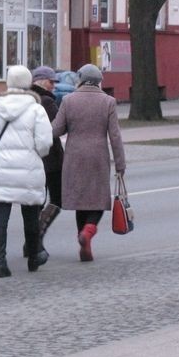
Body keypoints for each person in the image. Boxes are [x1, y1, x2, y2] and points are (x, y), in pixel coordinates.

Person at [0, 65, 52, 277]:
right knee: (30, 213)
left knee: (0, 214)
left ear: (8, 82)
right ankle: (33, 257)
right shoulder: (36, 109)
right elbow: (44, 143)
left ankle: (1, 262)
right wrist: (35, 153)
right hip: (29, 168)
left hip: (0, 167)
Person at [52, 64, 125, 263]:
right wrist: (120, 164)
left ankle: (83, 238)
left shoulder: (68, 100)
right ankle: (89, 232)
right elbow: (115, 136)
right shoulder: (108, 101)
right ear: (99, 81)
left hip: (74, 156)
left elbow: (56, 130)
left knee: (80, 202)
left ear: (81, 80)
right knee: (98, 200)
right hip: (98, 156)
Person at [28, 65, 63, 263]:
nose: (54, 86)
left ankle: (32, 243)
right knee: (57, 199)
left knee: (36, 202)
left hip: (32, 157)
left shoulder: (27, 99)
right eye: (51, 82)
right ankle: (36, 239)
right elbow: (57, 128)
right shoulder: (48, 102)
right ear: (41, 81)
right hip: (51, 158)